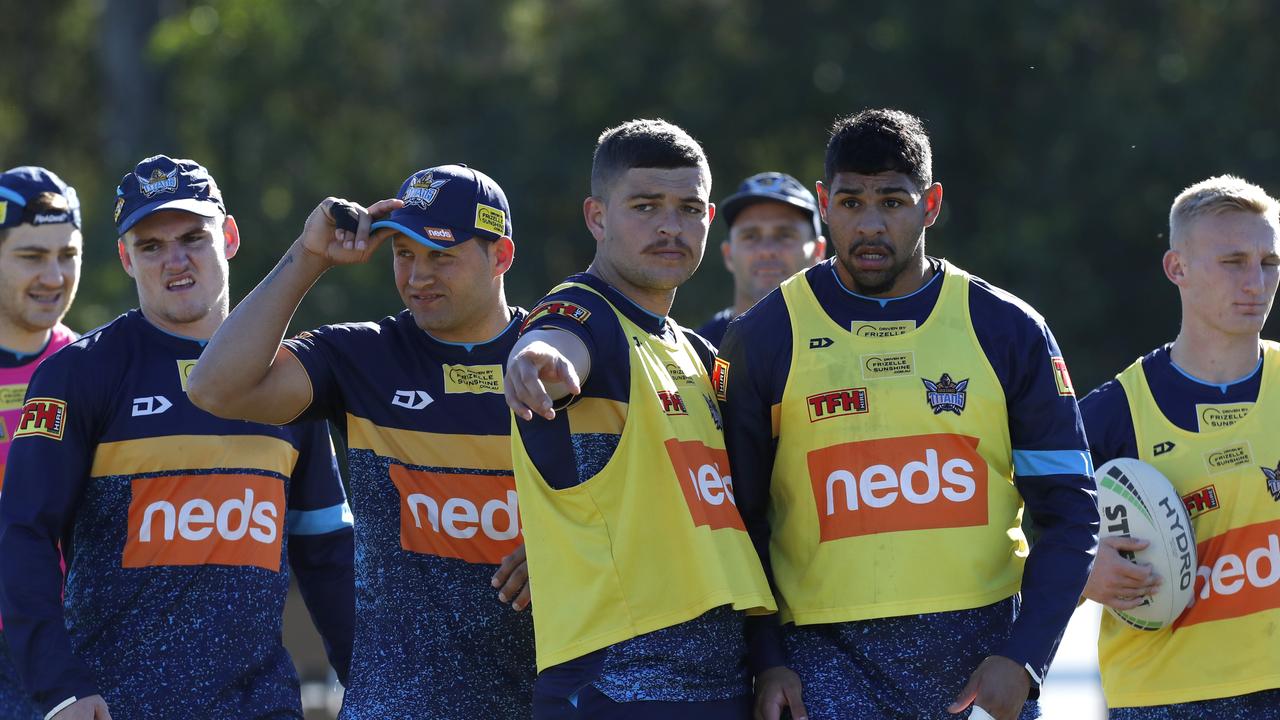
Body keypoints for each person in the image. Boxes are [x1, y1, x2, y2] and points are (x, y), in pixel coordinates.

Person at [720, 109, 1098, 720]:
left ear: (932, 203)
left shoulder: (1007, 329)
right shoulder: (766, 334)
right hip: (822, 666)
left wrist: (1026, 657)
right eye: (849, 202)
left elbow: (1070, 509)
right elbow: (738, 519)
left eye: (893, 201)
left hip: (980, 666)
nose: (870, 225)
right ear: (823, 203)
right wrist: (767, 657)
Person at [0, 155, 354, 720]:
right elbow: (23, 533)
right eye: (151, 246)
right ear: (124, 258)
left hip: (264, 705)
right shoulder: (78, 374)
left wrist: (371, 679)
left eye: (193, 237)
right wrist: (59, 685)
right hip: (116, 707)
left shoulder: (289, 377)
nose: (176, 262)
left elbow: (328, 550)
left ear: (229, 236)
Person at [187, 164, 537, 718]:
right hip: (394, 706)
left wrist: (568, 549)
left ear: (501, 257)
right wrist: (309, 257)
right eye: (404, 253)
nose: (418, 275)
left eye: (440, 255)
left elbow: (643, 508)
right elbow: (213, 388)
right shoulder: (363, 355)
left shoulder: (558, 351)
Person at [504, 119, 775, 719]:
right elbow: (556, 339)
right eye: (646, 206)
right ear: (597, 217)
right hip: (612, 689)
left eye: (689, 208)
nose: (670, 226)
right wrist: (535, 359)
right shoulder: (584, 311)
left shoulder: (698, 352)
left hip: (721, 687)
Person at [1080, 175, 1280, 718]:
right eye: (1234, 261)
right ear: (1178, 269)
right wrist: (1082, 571)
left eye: (1269, 262)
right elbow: (1020, 539)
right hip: (1164, 699)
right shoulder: (1115, 412)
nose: (1256, 283)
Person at [0, 166, 82, 720]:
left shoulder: (96, 370)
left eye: (67, 254)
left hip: (68, 652)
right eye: (32, 256)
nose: (54, 276)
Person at [696, 172, 825, 346]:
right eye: (750, 236)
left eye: (785, 235)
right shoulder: (697, 353)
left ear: (818, 251)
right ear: (728, 254)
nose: (767, 250)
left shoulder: (849, 344)